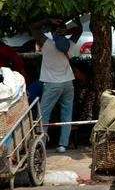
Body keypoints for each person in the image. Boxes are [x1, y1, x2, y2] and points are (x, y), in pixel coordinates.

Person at [29, 17, 83, 153]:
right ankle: (63, 145)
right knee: (66, 115)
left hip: (52, 84)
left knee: (44, 115)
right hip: (68, 84)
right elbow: (80, 31)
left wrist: (48, 21)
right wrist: (67, 31)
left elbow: (33, 28)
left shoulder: (46, 44)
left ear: (52, 32)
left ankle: (40, 144)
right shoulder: (69, 45)